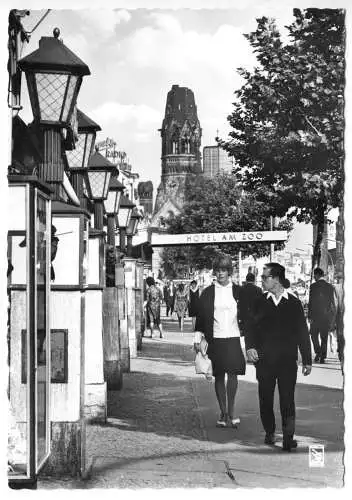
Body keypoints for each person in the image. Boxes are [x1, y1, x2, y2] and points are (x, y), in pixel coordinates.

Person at [245, 263, 312, 451]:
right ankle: (269, 431)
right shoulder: (259, 301)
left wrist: (307, 359)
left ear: (276, 279)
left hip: (287, 361)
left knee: (287, 400)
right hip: (264, 360)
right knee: (265, 398)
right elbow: (250, 327)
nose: (262, 281)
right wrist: (250, 347)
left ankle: (288, 438)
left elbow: (302, 333)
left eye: (265, 278)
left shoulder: (293, 302)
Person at [194, 254, 245, 428]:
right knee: (218, 375)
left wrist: (247, 341)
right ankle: (223, 412)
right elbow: (201, 317)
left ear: (229, 271)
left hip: (233, 338)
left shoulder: (238, 291)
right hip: (215, 338)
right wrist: (197, 339)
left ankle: (232, 410)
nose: (221, 273)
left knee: (233, 374)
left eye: (224, 270)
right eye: (218, 270)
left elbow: (246, 316)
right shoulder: (208, 292)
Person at [308, 267, 337, 364]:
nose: (314, 277)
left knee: (313, 335)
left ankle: (318, 352)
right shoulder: (330, 287)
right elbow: (333, 303)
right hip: (326, 317)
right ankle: (323, 356)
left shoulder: (313, 286)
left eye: (314, 275)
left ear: (316, 275)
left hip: (315, 317)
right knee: (324, 337)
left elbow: (310, 302)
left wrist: (309, 316)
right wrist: (332, 318)